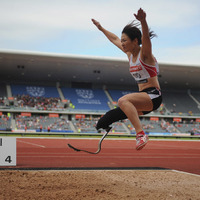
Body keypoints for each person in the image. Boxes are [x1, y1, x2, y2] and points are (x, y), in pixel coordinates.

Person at [92, 8, 162, 150]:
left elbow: (146, 38)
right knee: (114, 113)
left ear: (135, 41)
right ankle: (104, 123)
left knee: (123, 100)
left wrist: (143, 21)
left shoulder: (145, 55)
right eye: (122, 41)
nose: (122, 43)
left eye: (125, 41)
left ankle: (140, 134)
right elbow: (114, 39)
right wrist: (101, 28)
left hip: (153, 95)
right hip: (142, 99)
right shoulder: (129, 54)